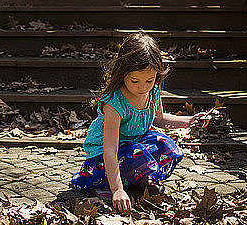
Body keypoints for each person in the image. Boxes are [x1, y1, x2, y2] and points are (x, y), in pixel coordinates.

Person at [70, 30, 206, 213]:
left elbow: (159, 119)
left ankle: (140, 179)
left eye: (149, 80)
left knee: (166, 145)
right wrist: (117, 189)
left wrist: (189, 121)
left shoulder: (153, 91)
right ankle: (111, 184)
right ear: (122, 73)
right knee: (139, 154)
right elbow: (110, 150)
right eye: (135, 81)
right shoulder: (114, 103)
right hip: (104, 157)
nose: (142, 87)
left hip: (133, 147)